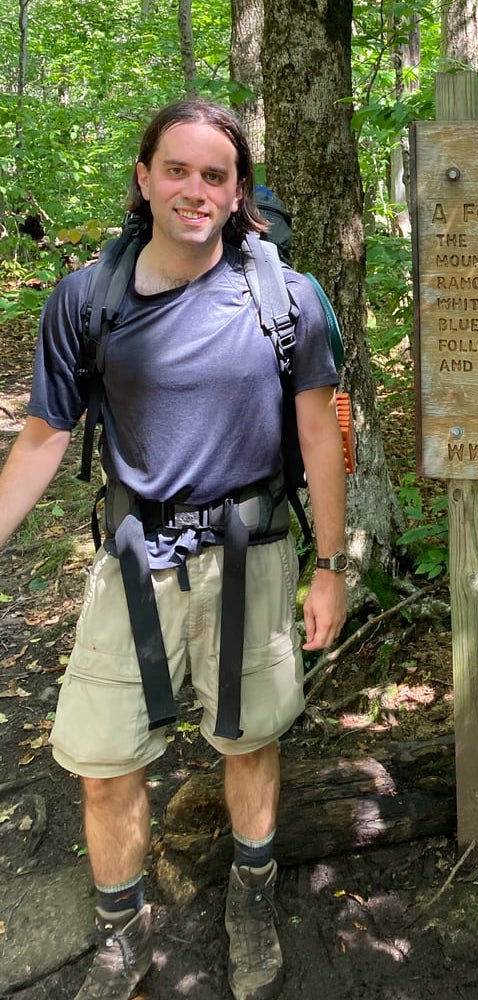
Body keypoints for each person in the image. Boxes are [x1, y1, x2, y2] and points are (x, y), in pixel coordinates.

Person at [0, 98, 348, 1000]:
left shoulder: (285, 297)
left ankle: (252, 897)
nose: (196, 189)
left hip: (256, 553)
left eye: (216, 175)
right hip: (133, 562)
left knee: (249, 741)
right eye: (179, 170)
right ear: (145, 179)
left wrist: (331, 566)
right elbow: (42, 437)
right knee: (103, 762)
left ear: (238, 194)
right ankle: (123, 934)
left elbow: (319, 435)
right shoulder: (88, 297)